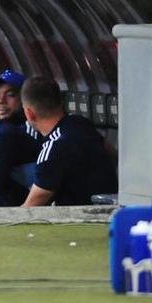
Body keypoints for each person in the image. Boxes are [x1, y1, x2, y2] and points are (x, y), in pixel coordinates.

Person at [20, 76, 117, 206]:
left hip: (85, 218)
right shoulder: (81, 123)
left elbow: (31, 206)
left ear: (29, 113)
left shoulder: (53, 148)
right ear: (61, 102)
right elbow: (112, 152)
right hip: (111, 206)